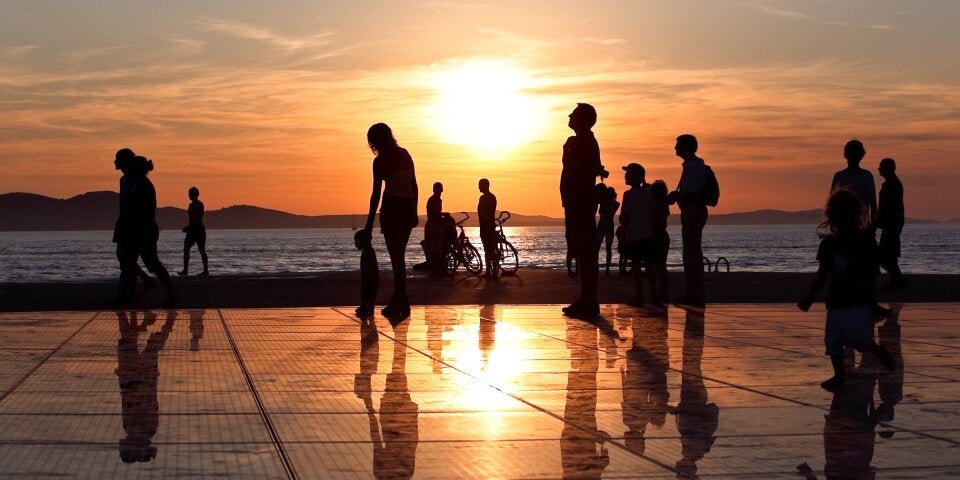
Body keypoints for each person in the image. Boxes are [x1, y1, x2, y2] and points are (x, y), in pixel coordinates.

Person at [798, 190, 897, 391]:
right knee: (832, 339)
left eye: (846, 212)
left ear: (854, 215)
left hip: (858, 299)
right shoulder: (828, 245)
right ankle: (839, 375)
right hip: (835, 300)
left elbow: (872, 272)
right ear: (832, 215)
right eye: (838, 212)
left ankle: (877, 350)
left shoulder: (865, 242)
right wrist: (810, 298)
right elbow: (822, 273)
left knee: (858, 336)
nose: (842, 216)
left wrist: (872, 301)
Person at [362, 123, 418, 319]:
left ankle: (401, 301)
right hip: (406, 207)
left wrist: (369, 225)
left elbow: (376, 194)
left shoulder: (381, 161)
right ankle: (401, 300)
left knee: (397, 259)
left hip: (393, 210)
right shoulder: (404, 154)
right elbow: (414, 185)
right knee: (398, 257)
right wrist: (414, 210)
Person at [560, 103, 609, 317]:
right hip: (577, 202)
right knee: (582, 252)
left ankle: (588, 301)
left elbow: (574, 167)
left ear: (582, 120)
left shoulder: (583, 141)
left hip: (580, 203)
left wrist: (568, 148)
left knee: (585, 252)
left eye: (573, 114)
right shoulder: (584, 141)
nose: (569, 116)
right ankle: (586, 299)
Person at [118, 156, 178, 305]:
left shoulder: (142, 184)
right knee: (130, 260)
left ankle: (171, 294)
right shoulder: (138, 183)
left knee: (152, 263)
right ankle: (128, 294)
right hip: (140, 229)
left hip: (143, 229)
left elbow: (139, 209)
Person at [667, 134, 708, 307]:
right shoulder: (694, 166)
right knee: (692, 252)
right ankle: (693, 292)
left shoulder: (693, 167)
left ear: (685, 147)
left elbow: (692, 193)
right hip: (693, 210)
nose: (675, 148)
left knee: (691, 253)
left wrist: (677, 195)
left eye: (677, 145)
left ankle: (694, 293)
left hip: (693, 210)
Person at [112, 148, 155, 303]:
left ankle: (127, 292)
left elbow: (133, 206)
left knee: (127, 260)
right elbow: (123, 206)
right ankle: (133, 292)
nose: (115, 162)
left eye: (117, 159)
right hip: (127, 224)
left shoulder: (133, 180)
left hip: (133, 226)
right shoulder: (125, 179)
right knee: (127, 260)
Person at [620, 163, 655, 306]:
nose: (625, 176)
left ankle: (639, 295)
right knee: (648, 266)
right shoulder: (648, 194)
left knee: (636, 267)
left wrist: (623, 236)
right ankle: (653, 295)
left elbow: (624, 218)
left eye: (628, 174)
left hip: (634, 235)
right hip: (647, 235)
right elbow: (652, 213)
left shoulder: (628, 195)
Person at [877, 158, 907, 291]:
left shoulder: (892, 185)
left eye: (881, 167)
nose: (878, 169)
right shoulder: (892, 184)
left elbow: (889, 207)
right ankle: (895, 281)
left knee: (884, 256)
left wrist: (879, 221)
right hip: (892, 222)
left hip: (892, 223)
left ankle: (899, 279)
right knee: (890, 255)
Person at [830, 139, 877, 227]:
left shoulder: (866, 175)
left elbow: (873, 203)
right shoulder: (840, 176)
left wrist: (872, 225)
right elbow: (832, 204)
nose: (854, 157)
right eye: (852, 154)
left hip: (861, 226)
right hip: (844, 227)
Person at [178, 187, 209, 276]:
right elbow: (192, 219)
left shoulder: (199, 204)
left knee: (201, 250)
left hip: (198, 230)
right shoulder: (190, 205)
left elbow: (198, 219)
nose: (189, 196)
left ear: (195, 195)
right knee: (186, 249)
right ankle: (185, 270)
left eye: (190, 194)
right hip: (191, 230)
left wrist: (189, 227)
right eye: (189, 194)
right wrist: (189, 228)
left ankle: (205, 270)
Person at [650, 180, 671, 304]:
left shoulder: (659, 205)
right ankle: (661, 292)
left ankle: (661, 292)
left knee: (659, 266)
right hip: (660, 235)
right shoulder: (662, 204)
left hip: (658, 235)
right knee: (660, 266)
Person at [354, 229, 379, 317]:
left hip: (369, 278)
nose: (355, 244)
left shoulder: (367, 252)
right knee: (370, 294)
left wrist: (365, 277)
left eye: (357, 242)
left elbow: (368, 266)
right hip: (372, 278)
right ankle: (368, 307)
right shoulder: (369, 251)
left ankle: (365, 307)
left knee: (365, 293)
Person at [477, 178, 499, 277]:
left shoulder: (486, 198)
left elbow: (484, 212)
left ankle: (490, 271)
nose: (478, 187)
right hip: (487, 225)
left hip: (486, 226)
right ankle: (493, 269)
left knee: (488, 249)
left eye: (480, 185)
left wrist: (485, 224)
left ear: (485, 186)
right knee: (490, 249)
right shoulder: (491, 197)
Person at [596, 186, 619, 275]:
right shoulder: (615, 203)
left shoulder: (608, 203)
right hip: (607, 225)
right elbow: (601, 212)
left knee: (600, 247)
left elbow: (601, 212)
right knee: (606, 248)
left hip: (603, 225)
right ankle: (606, 270)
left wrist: (604, 201)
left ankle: (606, 269)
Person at [423, 182, 444, 277]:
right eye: (438, 189)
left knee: (436, 249)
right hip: (432, 226)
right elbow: (434, 214)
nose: (440, 191)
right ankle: (434, 271)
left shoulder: (438, 200)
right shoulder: (433, 200)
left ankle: (436, 270)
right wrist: (443, 216)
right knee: (433, 249)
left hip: (436, 225)